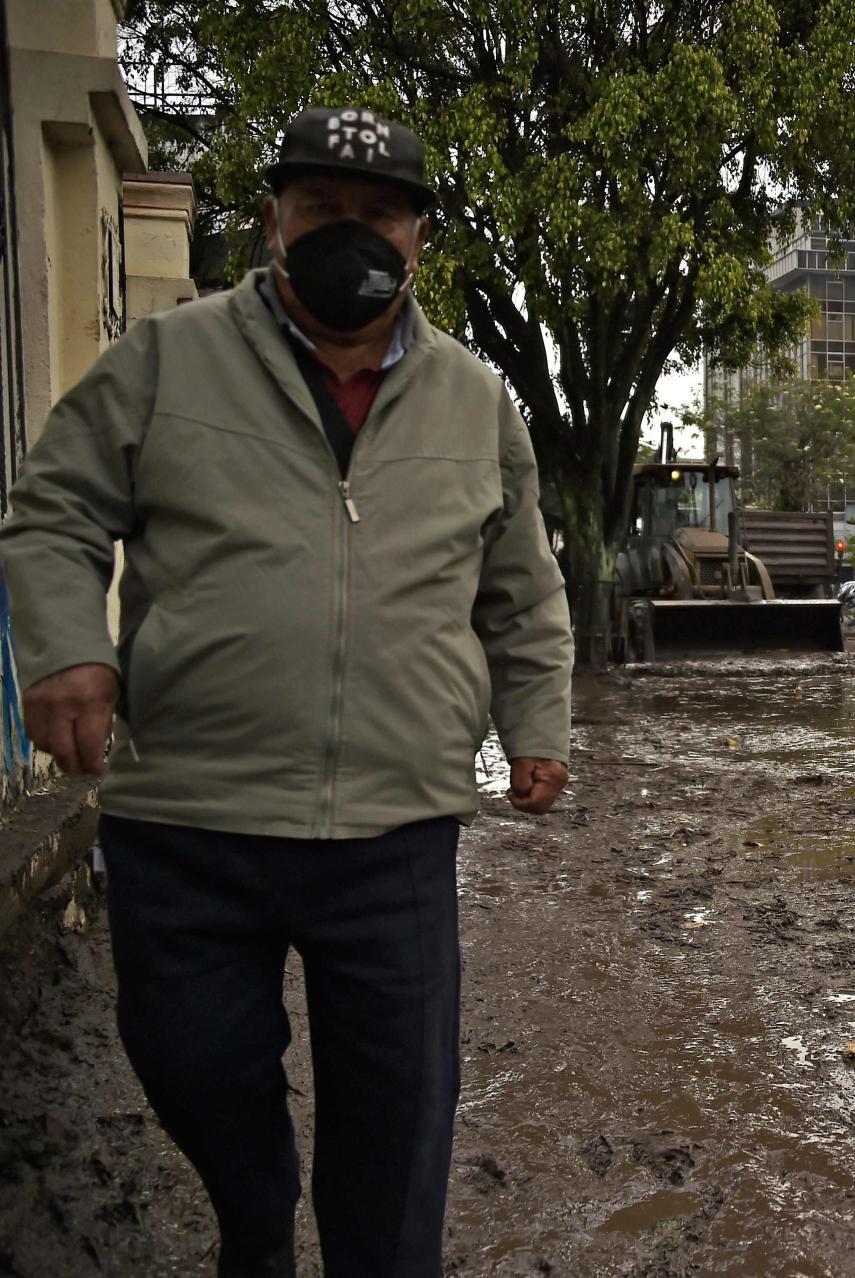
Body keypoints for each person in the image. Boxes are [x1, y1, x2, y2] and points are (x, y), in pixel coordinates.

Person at [0, 107, 574, 1277]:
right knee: (193, 1067)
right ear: (273, 221)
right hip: (190, 821)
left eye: (378, 212)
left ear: (420, 237)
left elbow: (523, 586)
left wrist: (537, 724)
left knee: (400, 1114)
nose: (348, 233)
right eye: (321, 209)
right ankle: (253, 1220)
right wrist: (66, 648)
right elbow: (56, 509)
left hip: (394, 825)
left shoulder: (475, 402)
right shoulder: (168, 360)